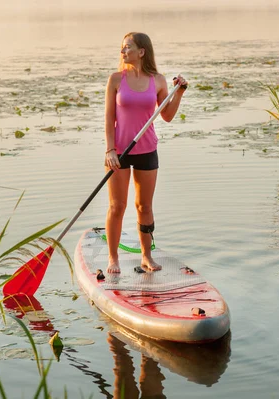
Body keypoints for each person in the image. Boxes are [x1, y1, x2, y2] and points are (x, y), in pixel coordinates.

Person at [104, 32, 187, 273]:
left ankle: (146, 257)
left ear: (142, 52)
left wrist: (178, 92)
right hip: (119, 152)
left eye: (127, 47)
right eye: (122, 48)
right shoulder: (116, 79)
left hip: (147, 149)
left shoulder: (158, 81)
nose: (123, 52)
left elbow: (168, 116)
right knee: (117, 206)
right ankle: (113, 258)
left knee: (144, 207)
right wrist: (110, 149)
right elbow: (109, 119)